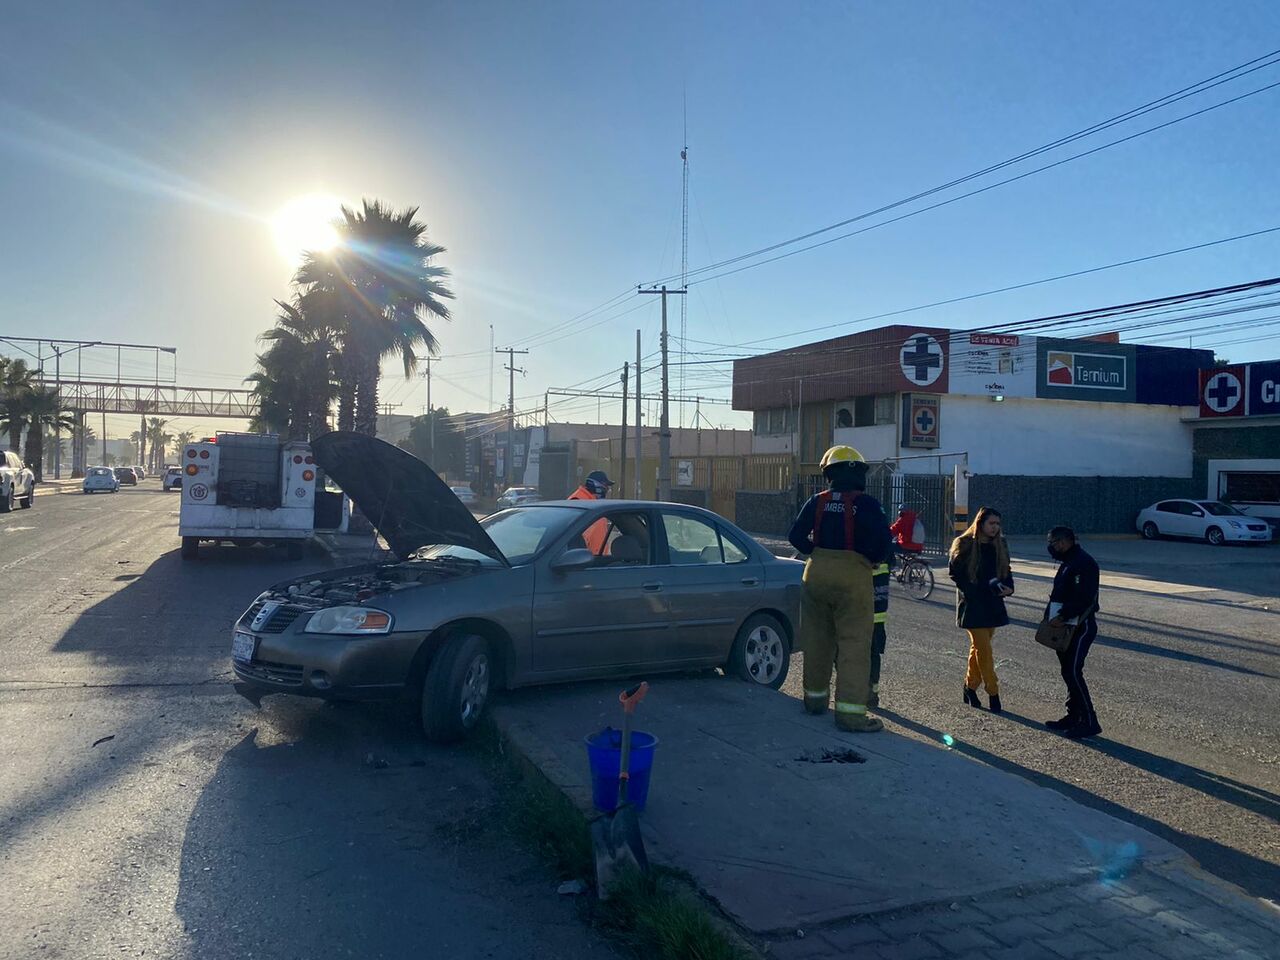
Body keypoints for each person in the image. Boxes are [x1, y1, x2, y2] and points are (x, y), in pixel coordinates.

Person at [788, 445, 891, 732]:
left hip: (816, 573)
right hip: (853, 576)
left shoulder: (817, 501)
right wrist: (870, 559)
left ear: (829, 473)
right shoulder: (868, 504)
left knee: (817, 641)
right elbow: (884, 544)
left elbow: (795, 536)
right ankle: (850, 715)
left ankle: (814, 701)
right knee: (854, 646)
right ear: (859, 473)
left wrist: (817, 552)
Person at [948, 506, 1014, 713]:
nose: (995, 528)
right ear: (980, 523)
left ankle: (969, 687)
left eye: (998, 524)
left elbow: (1006, 570)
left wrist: (1008, 587)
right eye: (991, 523)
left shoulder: (1000, 544)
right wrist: (973, 591)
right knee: (984, 650)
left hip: (992, 604)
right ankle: (993, 692)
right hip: (973, 605)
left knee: (978, 648)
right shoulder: (965, 544)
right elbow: (956, 574)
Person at [1044, 526, 1102, 739]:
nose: (1051, 547)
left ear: (1064, 541)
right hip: (1064, 627)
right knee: (1067, 671)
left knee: (1073, 671)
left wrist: (1063, 616)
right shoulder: (1068, 562)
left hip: (1081, 626)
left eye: (1053, 543)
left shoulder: (1083, 563)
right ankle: (1073, 715)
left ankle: (1089, 720)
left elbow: (1084, 598)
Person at [568, 470, 613, 554]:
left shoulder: (593, 503)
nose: (607, 489)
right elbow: (575, 538)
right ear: (597, 486)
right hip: (584, 558)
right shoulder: (578, 502)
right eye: (606, 486)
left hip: (595, 558)